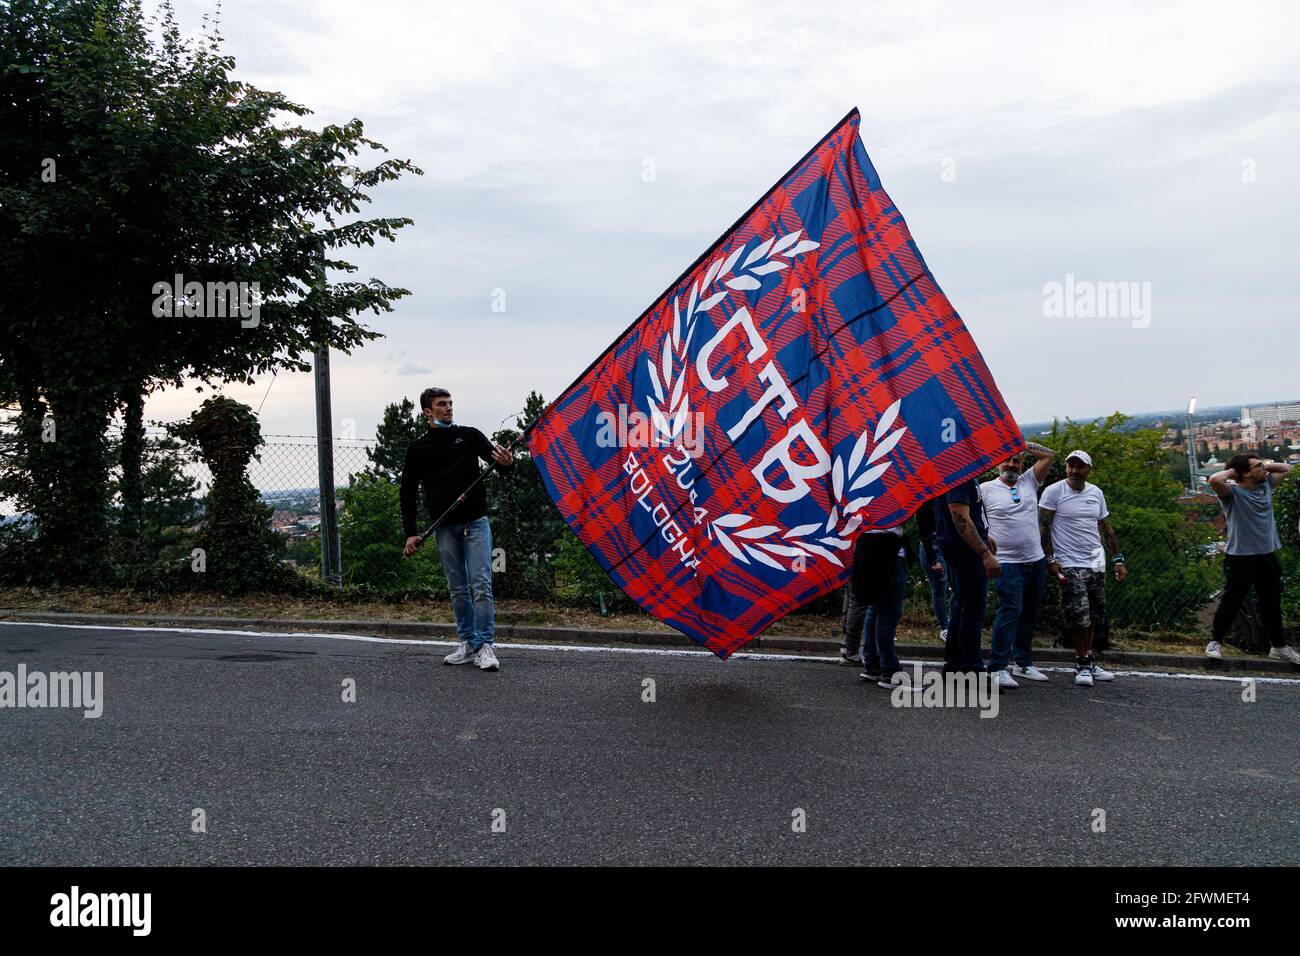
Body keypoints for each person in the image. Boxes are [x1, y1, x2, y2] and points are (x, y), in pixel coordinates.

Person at [400, 387, 513, 671]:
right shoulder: (418, 449)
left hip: (475, 521)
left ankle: (486, 646)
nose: (449, 408)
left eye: (450, 403)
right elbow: (407, 492)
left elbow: (500, 465)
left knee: (481, 585)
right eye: (442, 404)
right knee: (457, 588)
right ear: (428, 411)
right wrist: (410, 532)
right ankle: (467, 642)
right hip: (444, 525)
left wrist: (506, 463)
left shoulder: (471, 435)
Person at [1038, 450, 1127, 687]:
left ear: (1089, 469)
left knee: (1095, 614)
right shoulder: (1054, 491)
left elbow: (1104, 527)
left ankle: (1088, 658)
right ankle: (1081, 663)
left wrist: (1118, 559)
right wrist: (1050, 559)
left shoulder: (1095, 493)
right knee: (1079, 616)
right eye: (1071, 466)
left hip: (1095, 563)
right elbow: (1043, 528)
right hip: (1069, 563)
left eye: (1080, 467)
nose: (1075, 471)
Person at [1206, 455, 1299, 664]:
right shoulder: (1232, 493)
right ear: (1245, 473)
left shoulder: (1265, 486)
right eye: (1257, 467)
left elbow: (1286, 469)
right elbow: (1214, 480)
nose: (1264, 470)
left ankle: (1279, 647)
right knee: (1232, 600)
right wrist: (1233, 471)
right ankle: (1215, 642)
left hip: (1267, 554)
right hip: (1240, 556)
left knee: (1272, 602)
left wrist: (1263, 466)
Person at [979, 443, 1055, 688]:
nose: (1011, 464)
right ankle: (998, 666)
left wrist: (1021, 444)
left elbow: (1049, 455)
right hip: (1007, 562)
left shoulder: (1029, 481)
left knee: (1030, 612)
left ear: (1022, 464)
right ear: (997, 463)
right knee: (1009, 611)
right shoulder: (985, 489)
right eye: (1007, 460)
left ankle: (1023, 662)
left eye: (1016, 460)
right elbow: (976, 524)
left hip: (1035, 559)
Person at [936, 475, 999, 674]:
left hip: (961, 549)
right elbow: (959, 515)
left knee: (961, 606)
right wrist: (984, 553)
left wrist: (983, 535)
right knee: (973, 610)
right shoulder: (959, 475)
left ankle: (954, 664)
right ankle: (971, 669)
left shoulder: (963, 473)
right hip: (965, 552)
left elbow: (967, 513)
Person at [915, 499, 950, 645]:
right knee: (939, 590)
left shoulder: (948, 497)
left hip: (949, 545)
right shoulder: (925, 503)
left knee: (958, 587)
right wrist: (933, 560)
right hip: (933, 548)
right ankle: (944, 627)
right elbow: (923, 534)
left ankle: (952, 624)